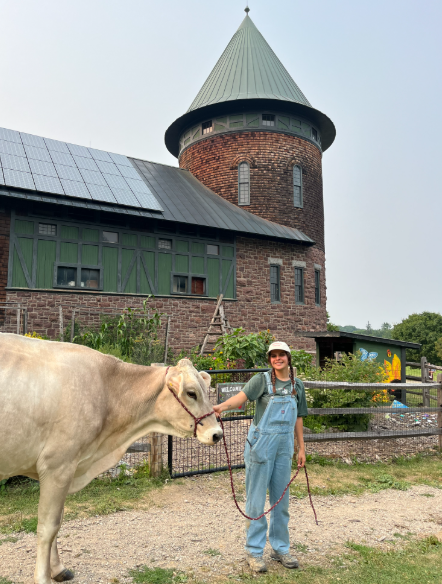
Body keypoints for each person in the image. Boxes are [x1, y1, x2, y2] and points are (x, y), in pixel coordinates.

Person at [213, 341, 308, 573]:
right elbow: (240, 398)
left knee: (280, 500)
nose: (278, 359)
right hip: (260, 446)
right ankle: (254, 552)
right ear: (270, 360)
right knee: (256, 501)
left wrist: (301, 447)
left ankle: (280, 548)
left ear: (288, 357)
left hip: (284, 448)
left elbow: (299, 418)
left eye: (281, 355)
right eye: (273, 356)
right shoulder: (261, 381)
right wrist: (221, 407)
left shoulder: (298, 385)